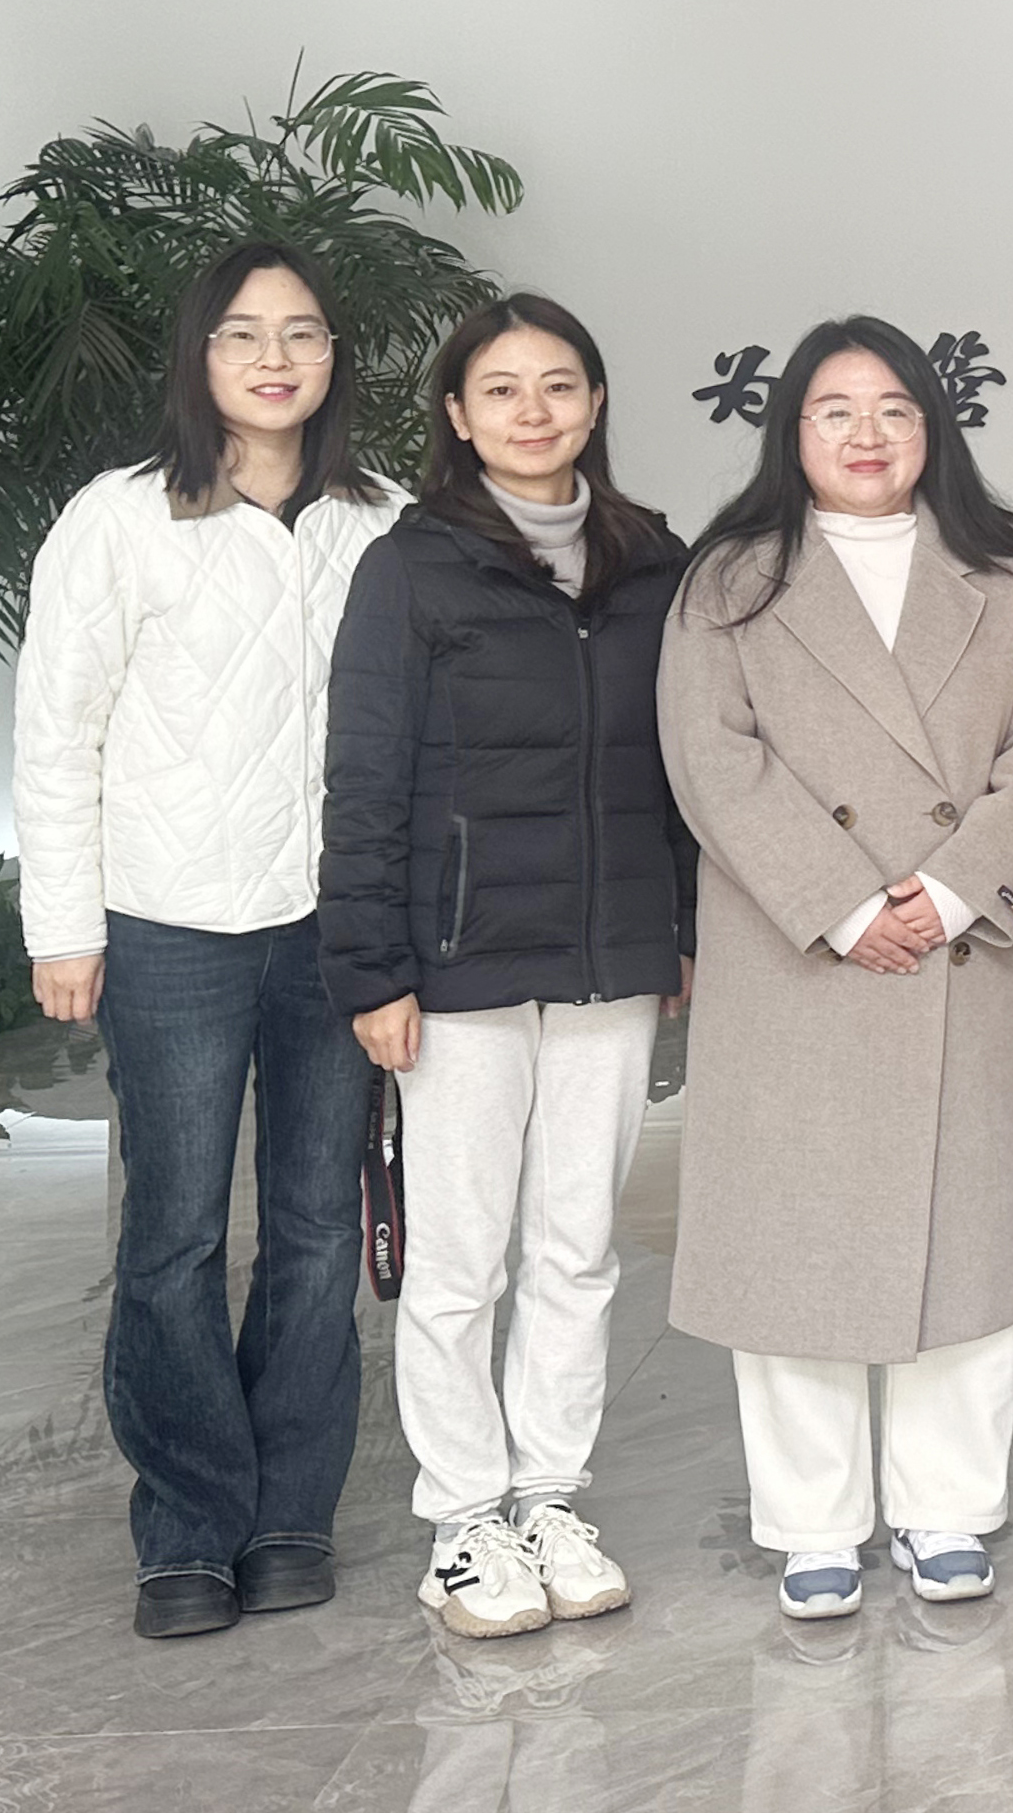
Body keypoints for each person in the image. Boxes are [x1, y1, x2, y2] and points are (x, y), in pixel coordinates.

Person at [657, 318, 1013, 1621]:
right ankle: (813, 1522)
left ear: (931, 429)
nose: (866, 434)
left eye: (894, 409)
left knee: (965, 1239)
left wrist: (948, 891)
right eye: (835, 410)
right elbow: (710, 758)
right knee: (797, 1242)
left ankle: (948, 1508)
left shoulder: (1001, 575)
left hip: (960, 945)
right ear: (791, 433)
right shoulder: (729, 583)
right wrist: (843, 903)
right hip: (797, 950)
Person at [11, 240, 403, 1640]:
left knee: (317, 1227)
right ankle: (187, 1526)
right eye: (244, 333)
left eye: (302, 332)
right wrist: (63, 925)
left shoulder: (382, 521)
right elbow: (56, 730)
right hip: (169, 923)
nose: (275, 357)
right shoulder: (120, 518)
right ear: (200, 356)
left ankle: (290, 1513)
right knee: (173, 1235)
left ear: (334, 357)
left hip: (336, 929)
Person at [320, 294, 695, 1640]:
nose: (533, 411)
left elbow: (686, 766)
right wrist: (371, 969)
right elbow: (362, 780)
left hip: (610, 955)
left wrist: (682, 928)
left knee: (578, 1248)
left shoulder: (654, 563)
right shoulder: (411, 568)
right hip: (458, 961)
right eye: (502, 389)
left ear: (594, 404)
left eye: (559, 385)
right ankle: (465, 1523)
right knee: (460, 1259)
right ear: (458, 415)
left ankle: (548, 1497)